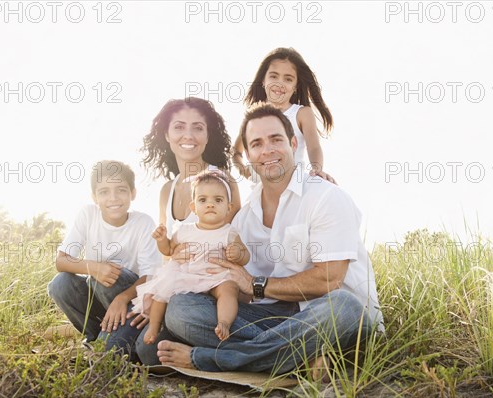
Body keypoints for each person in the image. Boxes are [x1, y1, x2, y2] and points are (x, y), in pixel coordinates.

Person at [136, 103, 383, 375]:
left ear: (292, 143)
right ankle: (299, 357)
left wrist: (255, 285)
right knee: (176, 316)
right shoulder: (244, 218)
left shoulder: (326, 197)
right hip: (274, 319)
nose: (267, 150)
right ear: (249, 155)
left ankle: (211, 359)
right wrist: (188, 265)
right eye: (256, 144)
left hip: (329, 315)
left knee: (344, 307)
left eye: (276, 139)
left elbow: (329, 279)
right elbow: (237, 288)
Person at [47, 160, 162, 358]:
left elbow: (150, 276)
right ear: (94, 197)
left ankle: (115, 337)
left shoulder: (143, 222)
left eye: (121, 190)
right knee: (61, 283)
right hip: (99, 293)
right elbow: (61, 261)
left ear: (133, 193)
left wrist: (122, 297)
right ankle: (96, 334)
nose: (113, 198)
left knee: (110, 352)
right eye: (104, 192)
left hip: (130, 300)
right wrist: (94, 267)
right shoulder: (87, 214)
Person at [132, 171, 249, 343]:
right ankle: (154, 326)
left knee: (229, 290)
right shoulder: (185, 230)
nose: (210, 205)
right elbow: (169, 251)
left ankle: (224, 322)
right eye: (203, 200)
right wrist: (162, 239)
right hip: (187, 274)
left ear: (228, 208)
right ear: (193, 207)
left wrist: (238, 254)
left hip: (216, 276)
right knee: (162, 291)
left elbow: (245, 256)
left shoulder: (229, 233)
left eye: (218, 200)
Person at [232, 47, 336, 183]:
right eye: (274, 76)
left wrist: (317, 168)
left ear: (295, 86)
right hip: (263, 191)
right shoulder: (253, 118)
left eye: (288, 79)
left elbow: (314, 146)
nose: (279, 83)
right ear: (263, 80)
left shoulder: (301, 113)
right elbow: (236, 152)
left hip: (293, 186)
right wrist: (249, 174)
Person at [141, 97, 241, 239]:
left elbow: (227, 241)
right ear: (166, 135)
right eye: (179, 127)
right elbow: (165, 254)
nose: (188, 135)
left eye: (198, 128)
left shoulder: (222, 180)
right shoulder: (167, 191)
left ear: (207, 137)